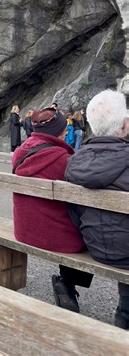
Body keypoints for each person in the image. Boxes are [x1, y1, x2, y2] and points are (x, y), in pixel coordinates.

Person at [64, 90, 129, 329]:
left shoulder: (74, 162)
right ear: (125, 125)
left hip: (94, 246)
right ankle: (125, 311)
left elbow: (73, 213)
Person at [12, 107, 84, 256]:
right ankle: (70, 280)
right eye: (64, 130)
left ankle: (67, 280)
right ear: (57, 132)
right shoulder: (63, 159)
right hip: (56, 236)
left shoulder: (19, 153)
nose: (65, 133)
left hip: (23, 230)